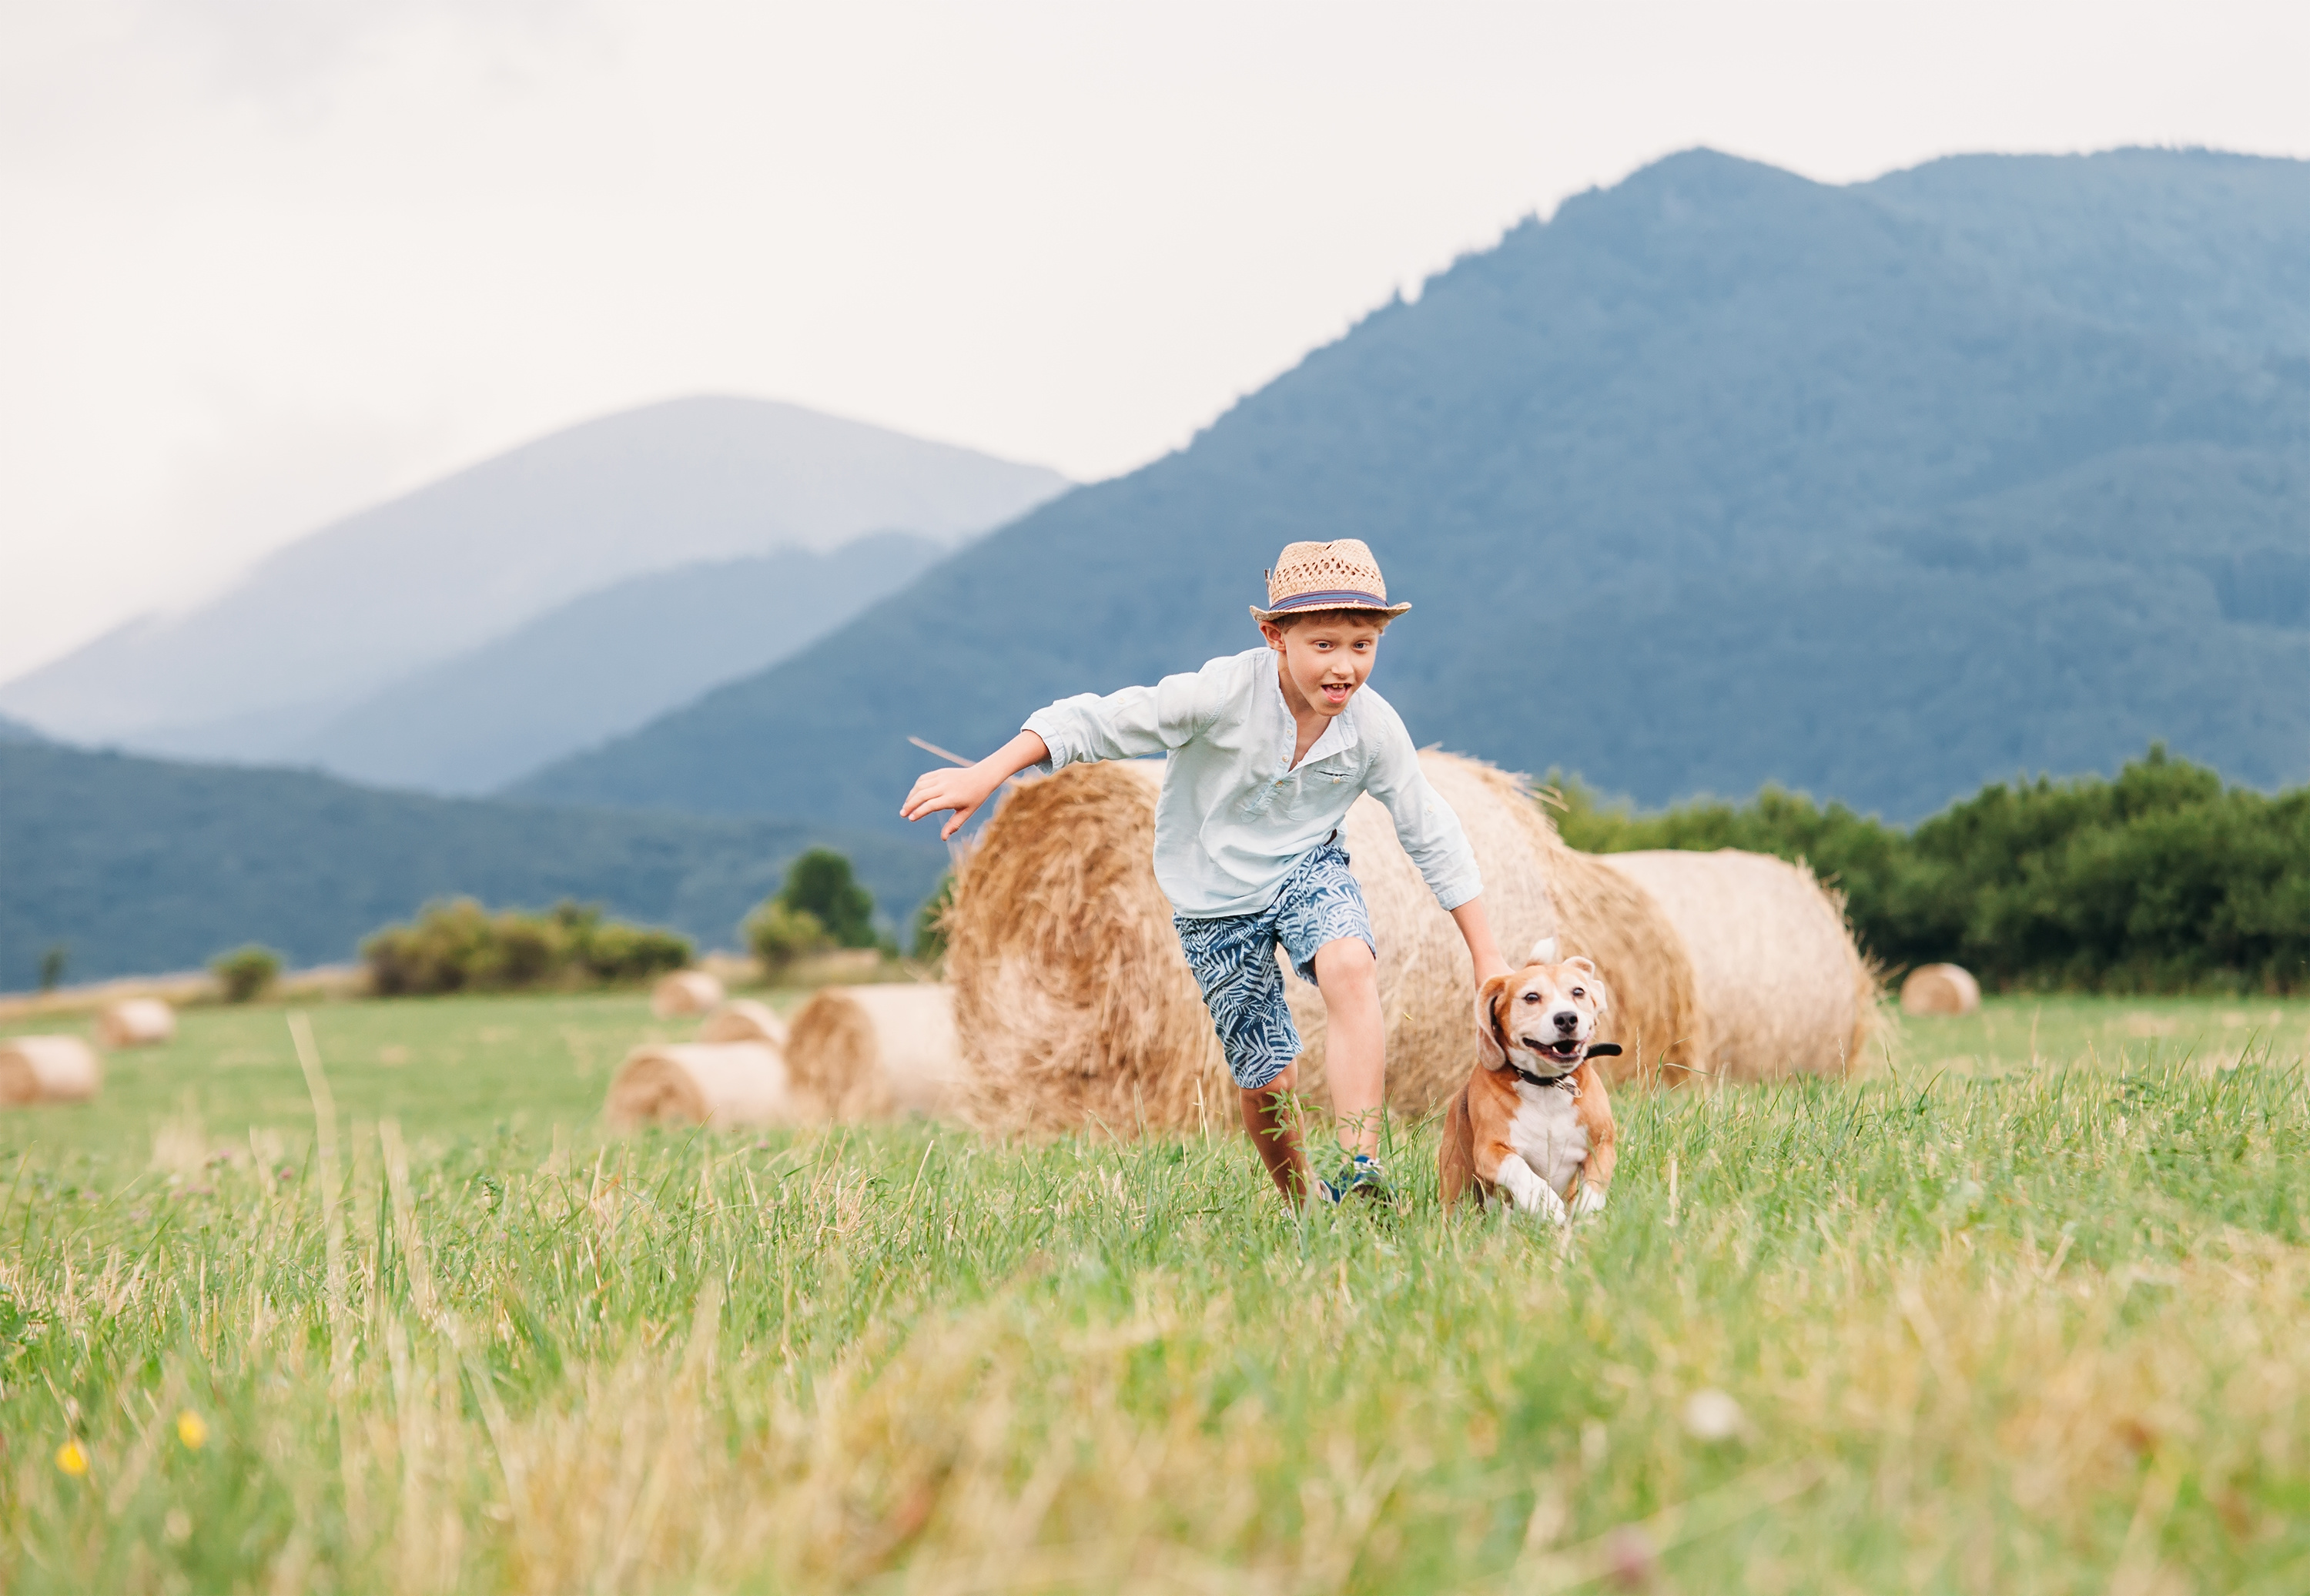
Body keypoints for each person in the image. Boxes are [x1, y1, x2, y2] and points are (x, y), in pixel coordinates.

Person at [902, 539, 1508, 1203]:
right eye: (1324, 644)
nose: (1345, 664)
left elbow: (1431, 831)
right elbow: (1100, 721)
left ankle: (1360, 1164)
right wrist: (987, 773)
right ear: (1275, 636)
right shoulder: (1219, 695)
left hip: (1308, 865)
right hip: (1214, 899)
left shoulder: (1374, 729)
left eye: (1362, 645)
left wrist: (1487, 957)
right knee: (1268, 1080)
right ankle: (1304, 1202)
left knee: (1350, 962)